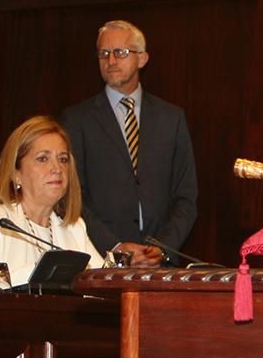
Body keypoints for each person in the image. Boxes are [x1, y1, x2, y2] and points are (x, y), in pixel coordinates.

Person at [62, 19, 198, 268]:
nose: (111, 61)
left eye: (121, 53)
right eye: (104, 54)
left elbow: (186, 196)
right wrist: (115, 248)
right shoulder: (77, 119)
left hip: (162, 265)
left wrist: (162, 248)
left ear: (142, 58)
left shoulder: (171, 118)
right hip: (103, 261)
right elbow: (74, 196)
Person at [0, 116, 105, 287]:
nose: (57, 169)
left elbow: (101, 283)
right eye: (42, 159)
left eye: (63, 159)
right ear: (15, 173)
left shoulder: (74, 228)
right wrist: (43, 272)